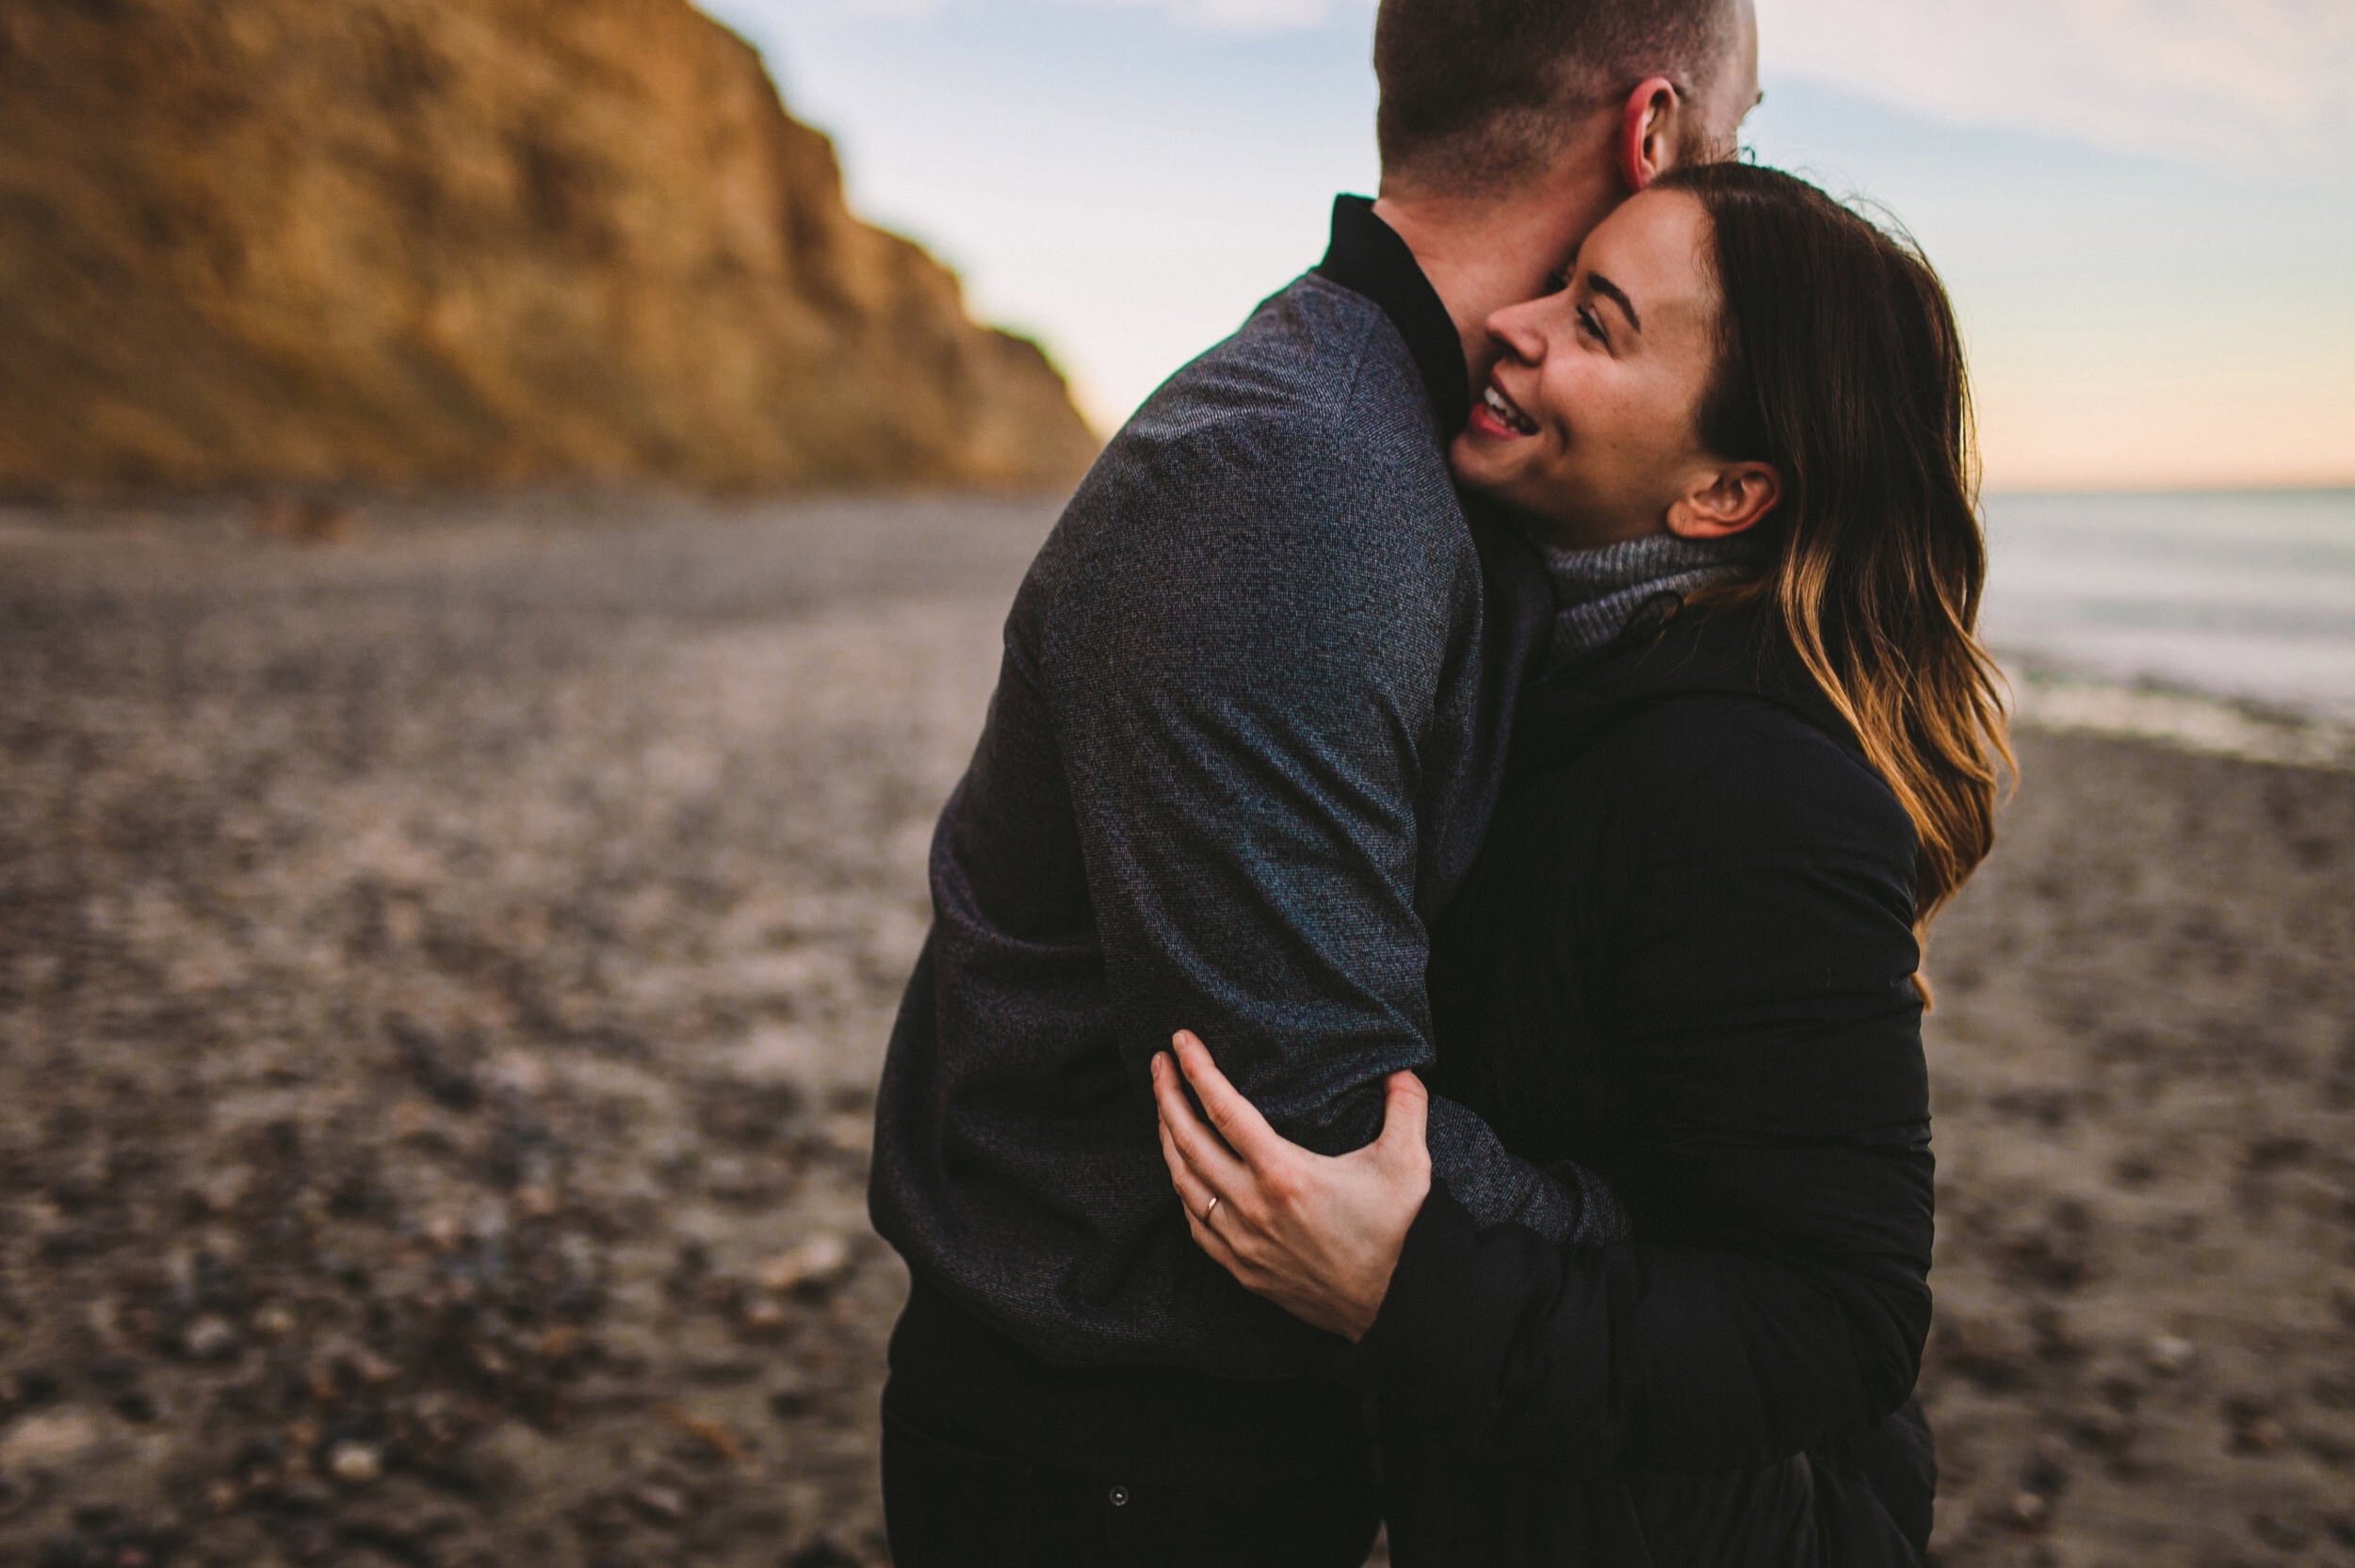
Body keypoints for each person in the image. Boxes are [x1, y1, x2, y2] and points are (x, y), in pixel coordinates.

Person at [866, 1, 1763, 1562]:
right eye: (1739, 137)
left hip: (1212, 1414)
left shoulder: (1425, 441)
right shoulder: (1293, 480)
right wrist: (1724, 1282)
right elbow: (1326, 1127)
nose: (1739, 178)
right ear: (1653, 138)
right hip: (1117, 1456)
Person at [1152, 163, 2013, 1564]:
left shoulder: (1759, 791)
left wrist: (1408, 1290)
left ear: (1728, 491)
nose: (1516, 324)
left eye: (1596, 323)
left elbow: (1840, 1320)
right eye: (1561, 280)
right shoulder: (1559, 666)